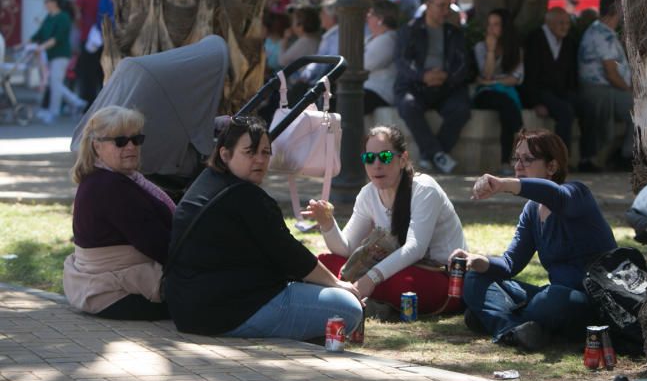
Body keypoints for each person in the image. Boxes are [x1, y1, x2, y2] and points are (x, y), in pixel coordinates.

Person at [165, 115, 362, 339]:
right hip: (227, 311)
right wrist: (337, 284)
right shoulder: (246, 197)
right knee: (348, 307)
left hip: (186, 308)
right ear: (225, 154)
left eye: (265, 153)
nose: (259, 160)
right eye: (250, 152)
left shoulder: (206, 181)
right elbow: (291, 255)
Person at [453, 129, 616, 351]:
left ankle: (502, 319)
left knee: (553, 297)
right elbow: (510, 264)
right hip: (551, 298)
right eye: (516, 158)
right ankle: (514, 330)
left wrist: (504, 184)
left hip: (587, 302)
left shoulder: (577, 194)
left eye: (528, 159)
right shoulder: (531, 211)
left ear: (552, 167)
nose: (518, 166)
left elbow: (555, 195)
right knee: (475, 279)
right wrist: (476, 260)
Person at [304, 125, 466, 315]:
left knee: (397, 282)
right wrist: (327, 224)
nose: (377, 165)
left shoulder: (424, 189)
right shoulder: (368, 194)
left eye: (385, 157)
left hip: (442, 279)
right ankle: (360, 297)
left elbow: (416, 248)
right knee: (325, 262)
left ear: (403, 159)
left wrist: (370, 279)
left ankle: (347, 294)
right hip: (393, 271)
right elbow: (346, 248)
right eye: (369, 158)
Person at [63, 106, 172, 320]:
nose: (131, 146)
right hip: (118, 295)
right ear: (97, 147)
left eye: (136, 139)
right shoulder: (110, 187)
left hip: (102, 291)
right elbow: (160, 245)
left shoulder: (109, 179)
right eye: (120, 141)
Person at [394, 0, 471, 174]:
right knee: (408, 105)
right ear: (428, 5)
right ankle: (439, 154)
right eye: (442, 6)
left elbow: (464, 64)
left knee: (461, 109)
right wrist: (423, 76)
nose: (446, 11)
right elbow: (403, 61)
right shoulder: (410, 30)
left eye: (450, 7)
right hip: (415, 85)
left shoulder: (454, 33)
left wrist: (447, 77)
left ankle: (431, 154)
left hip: (446, 86)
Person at [521, 7, 598, 170]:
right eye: (560, 23)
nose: (565, 27)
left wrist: (574, 95)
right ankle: (562, 161)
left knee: (588, 108)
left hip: (562, 92)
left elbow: (571, 75)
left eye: (567, 23)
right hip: (541, 92)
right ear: (549, 23)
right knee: (565, 113)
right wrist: (535, 103)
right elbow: (529, 75)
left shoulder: (568, 42)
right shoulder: (536, 39)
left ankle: (587, 159)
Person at [577, 0, 633, 170]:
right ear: (617, 10)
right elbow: (611, 73)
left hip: (607, 89)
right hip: (601, 90)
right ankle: (626, 156)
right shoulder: (603, 35)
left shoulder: (599, 30)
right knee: (640, 109)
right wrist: (629, 91)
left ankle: (624, 153)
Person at [473, 9, 524, 175]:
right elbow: (485, 74)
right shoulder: (480, 48)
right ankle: (520, 131)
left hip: (507, 92)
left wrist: (493, 81)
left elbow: (516, 78)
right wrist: (491, 51)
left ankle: (505, 161)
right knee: (505, 103)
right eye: (489, 25)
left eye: (496, 25)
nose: (491, 29)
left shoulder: (516, 50)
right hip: (486, 94)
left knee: (506, 110)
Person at [30, 0, 86, 124]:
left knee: (55, 83)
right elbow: (39, 34)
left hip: (61, 54)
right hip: (50, 55)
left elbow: (58, 37)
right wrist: (24, 44)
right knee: (54, 83)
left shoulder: (64, 17)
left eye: (47, 1)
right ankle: (76, 102)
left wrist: (42, 47)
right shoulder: (49, 17)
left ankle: (54, 112)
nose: (45, 4)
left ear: (54, 2)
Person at [74, 0, 106, 106]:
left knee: (87, 72)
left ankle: (89, 104)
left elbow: (77, 15)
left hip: (88, 38)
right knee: (101, 71)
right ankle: (104, 101)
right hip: (104, 37)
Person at [363, 0, 399, 114]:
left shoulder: (389, 39)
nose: (367, 17)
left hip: (380, 92)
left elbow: (363, 65)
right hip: (366, 89)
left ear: (381, 19)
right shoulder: (371, 38)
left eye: (371, 14)